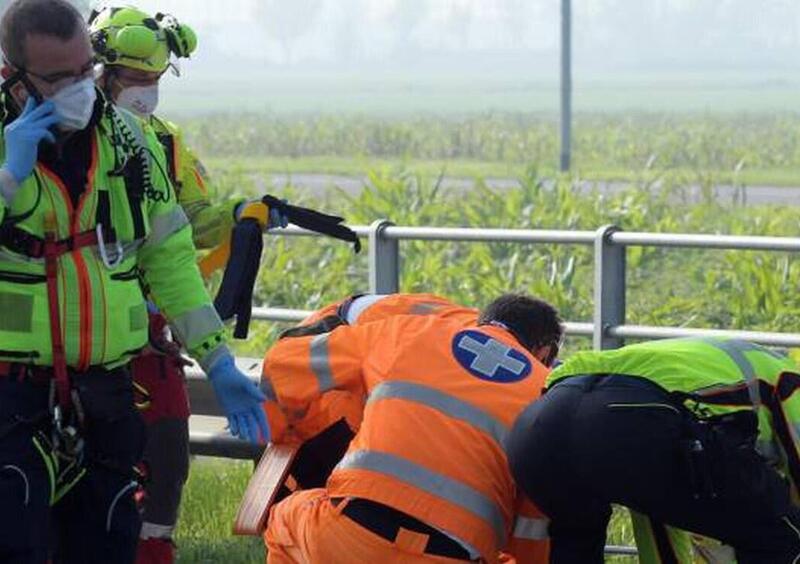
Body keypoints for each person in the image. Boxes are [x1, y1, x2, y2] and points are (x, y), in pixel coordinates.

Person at [0, 1, 268, 562]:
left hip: (107, 394)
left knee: (109, 543)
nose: (80, 89)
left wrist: (218, 359)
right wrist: (7, 178)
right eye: (59, 79)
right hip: (12, 395)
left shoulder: (129, 142)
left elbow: (169, 256)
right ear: (13, 78)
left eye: (85, 71)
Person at [87, 7, 286, 562]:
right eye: (135, 78)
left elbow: (184, 229)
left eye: (154, 79)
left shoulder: (164, 144)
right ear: (100, 71)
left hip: (152, 333)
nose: (146, 91)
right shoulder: (58, 139)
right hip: (76, 338)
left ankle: (153, 550)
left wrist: (239, 215)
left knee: (168, 455)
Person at [260, 292, 564, 563]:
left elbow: (284, 364)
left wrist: (285, 431)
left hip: (349, 535)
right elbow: (532, 529)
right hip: (453, 556)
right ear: (544, 353)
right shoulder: (546, 396)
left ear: (481, 320)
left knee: (282, 520)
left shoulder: (408, 331)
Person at [507, 337, 800, 564]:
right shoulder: (792, 381)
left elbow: (660, 504)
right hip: (626, 421)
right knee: (779, 533)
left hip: (536, 430)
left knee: (577, 544)